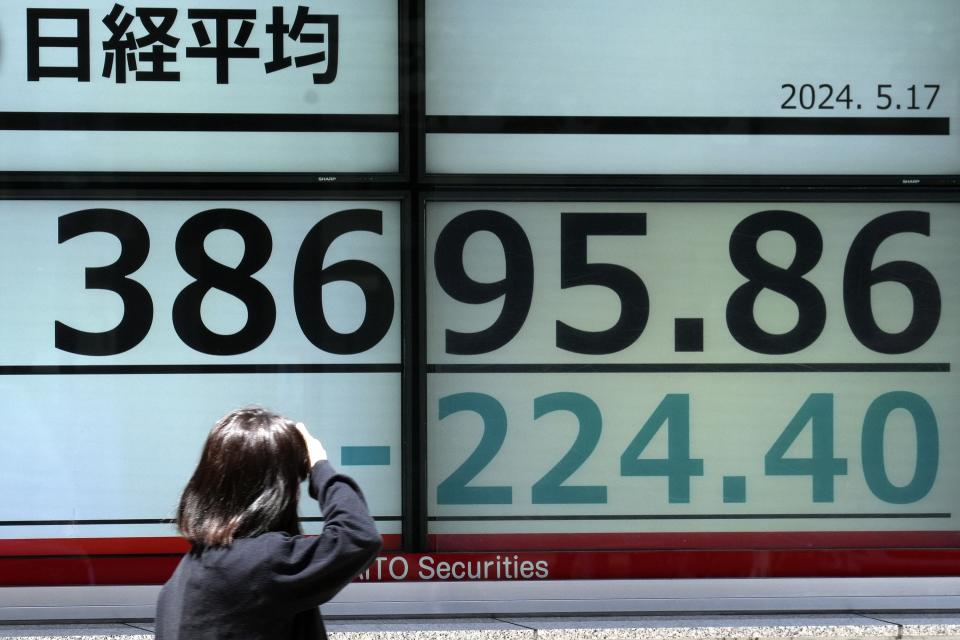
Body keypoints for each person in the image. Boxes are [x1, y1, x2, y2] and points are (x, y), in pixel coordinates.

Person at [155, 406, 382, 640]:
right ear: (278, 489)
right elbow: (358, 535)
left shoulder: (185, 577)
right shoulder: (261, 562)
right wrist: (320, 467)